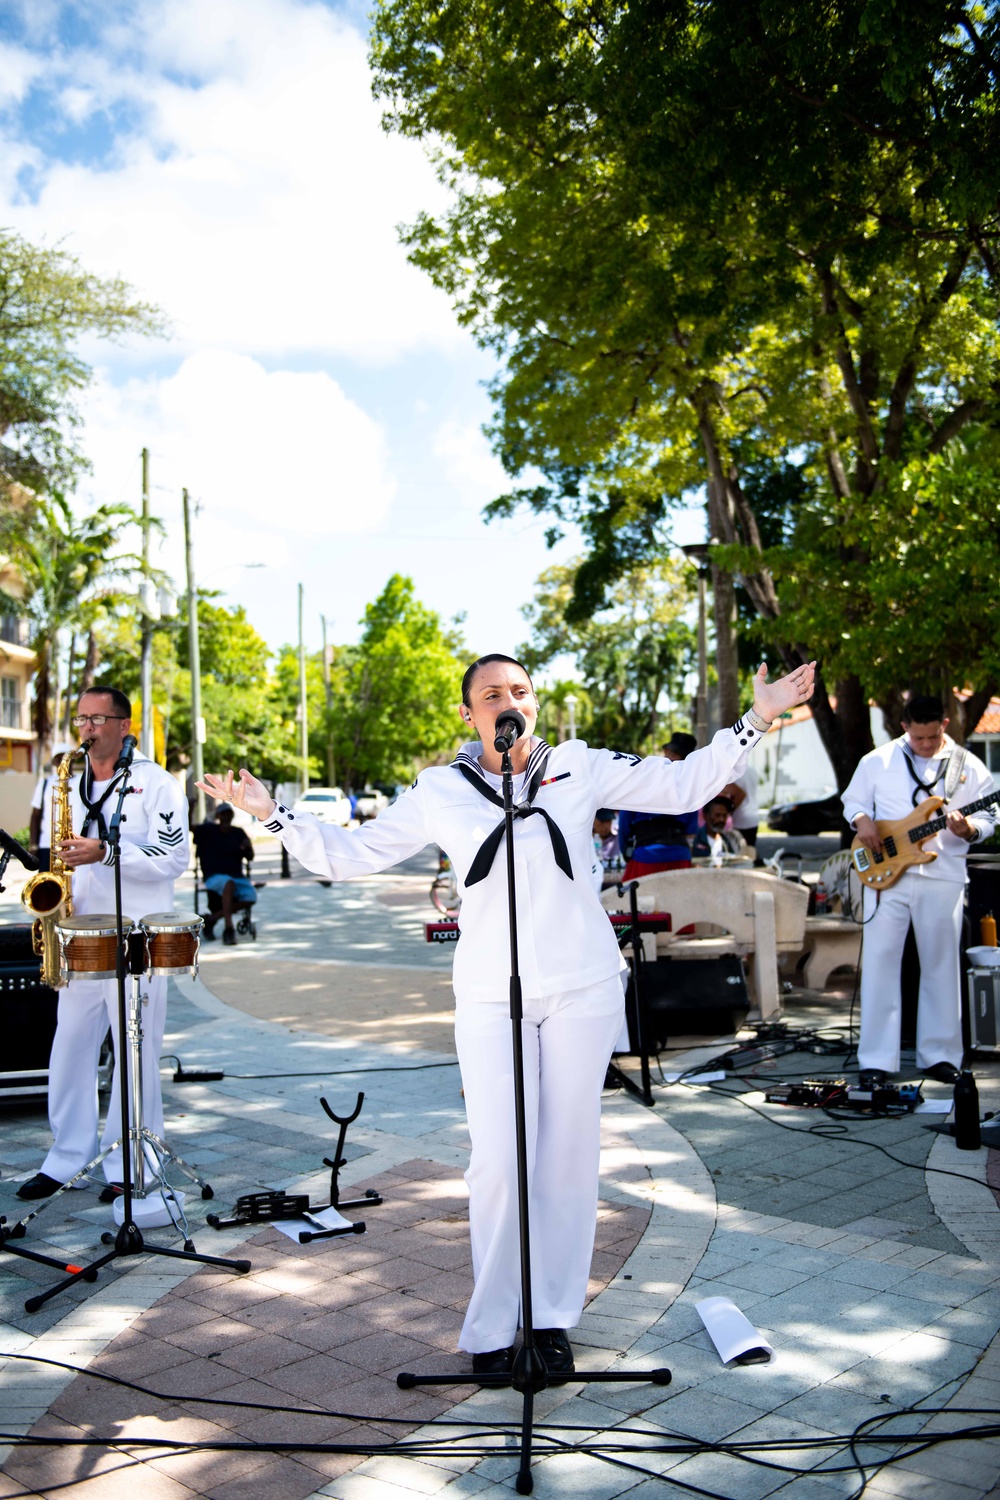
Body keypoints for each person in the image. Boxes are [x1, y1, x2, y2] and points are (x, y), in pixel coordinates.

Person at [200, 652, 815, 1376]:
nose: (508, 701)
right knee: (498, 1160)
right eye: (492, 694)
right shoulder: (439, 789)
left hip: (583, 986)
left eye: (519, 690)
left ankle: (551, 1319)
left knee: (566, 1154)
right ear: (469, 714)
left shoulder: (577, 765)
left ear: (535, 702)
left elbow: (681, 784)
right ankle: (493, 1326)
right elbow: (354, 854)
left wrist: (758, 717)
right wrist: (273, 815)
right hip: (493, 991)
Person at [18, 687, 191, 1201]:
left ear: (123, 723)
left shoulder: (158, 783)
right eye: (81, 719)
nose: (87, 728)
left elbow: (173, 857)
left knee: (136, 1050)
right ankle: (66, 1157)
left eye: (97, 718)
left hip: (137, 934)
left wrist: (108, 853)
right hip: (79, 931)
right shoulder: (65, 781)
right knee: (69, 1044)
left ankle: (129, 1162)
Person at [842, 695, 996, 1088]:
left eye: (932, 736)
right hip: (885, 876)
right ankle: (875, 1059)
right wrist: (863, 822)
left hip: (943, 873)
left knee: (942, 966)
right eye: (918, 737)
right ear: (904, 727)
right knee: (879, 963)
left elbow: (989, 816)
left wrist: (971, 830)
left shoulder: (969, 764)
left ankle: (941, 1055)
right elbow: (853, 801)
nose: (925, 744)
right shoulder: (877, 760)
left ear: (944, 724)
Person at [617, 732, 699, 880]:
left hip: (647, 856)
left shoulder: (643, 780)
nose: (668, 757)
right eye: (669, 753)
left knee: (630, 899)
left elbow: (624, 824)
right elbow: (691, 834)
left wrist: (626, 853)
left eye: (674, 754)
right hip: (677, 855)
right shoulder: (691, 788)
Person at [193, 803, 256, 944]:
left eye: (228, 814)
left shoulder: (238, 832)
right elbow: (190, 827)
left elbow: (250, 856)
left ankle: (211, 918)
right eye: (223, 814)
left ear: (232, 815)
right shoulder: (208, 830)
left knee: (251, 896)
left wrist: (248, 847)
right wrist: (190, 808)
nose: (226, 817)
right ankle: (229, 929)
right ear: (218, 816)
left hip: (237, 876)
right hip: (214, 877)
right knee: (228, 882)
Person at [28, 742, 74, 872]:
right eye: (59, 759)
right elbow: (35, 816)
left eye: (66, 758)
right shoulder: (45, 783)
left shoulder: (82, 782)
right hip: (47, 846)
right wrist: (33, 845)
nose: (63, 762)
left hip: (73, 847)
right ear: (54, 762)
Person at [692, 795, 748, 861]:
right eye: (717, 815)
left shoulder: (729, 840)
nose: (721, 819)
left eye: (724, 815)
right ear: (706, 816)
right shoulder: (695, 839)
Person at [722, 763, 760, 852]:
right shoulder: (752, 770)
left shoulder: (735, 772)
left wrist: (729, 811)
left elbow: (740, 794)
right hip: (753, 814)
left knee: (739, 850)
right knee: (750, 849)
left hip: (740, 816)